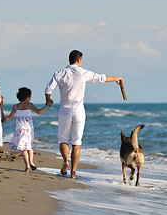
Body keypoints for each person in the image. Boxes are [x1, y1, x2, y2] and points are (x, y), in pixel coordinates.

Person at [45, 50, 123, 179]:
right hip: (79, 111)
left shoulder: (59, 74)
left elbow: (48, 89)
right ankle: (73, 172)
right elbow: (101, 78)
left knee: (63, 140)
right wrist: (117, 79)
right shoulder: (83, 73)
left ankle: (65, 162)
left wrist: (48, 100)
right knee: (76, 143)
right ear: (79, 60)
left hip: (65, 111)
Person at [3, 87, 52, 172]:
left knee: (24, 149)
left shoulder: (15, 106)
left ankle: (27, 166)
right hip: (29, 129)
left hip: (20, 130)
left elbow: (10, 117)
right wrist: (47, 106)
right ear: (27, 97)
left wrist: (4, 119)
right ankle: (31, 162)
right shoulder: (30, 105)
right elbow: (39, 112)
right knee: (29, 147)